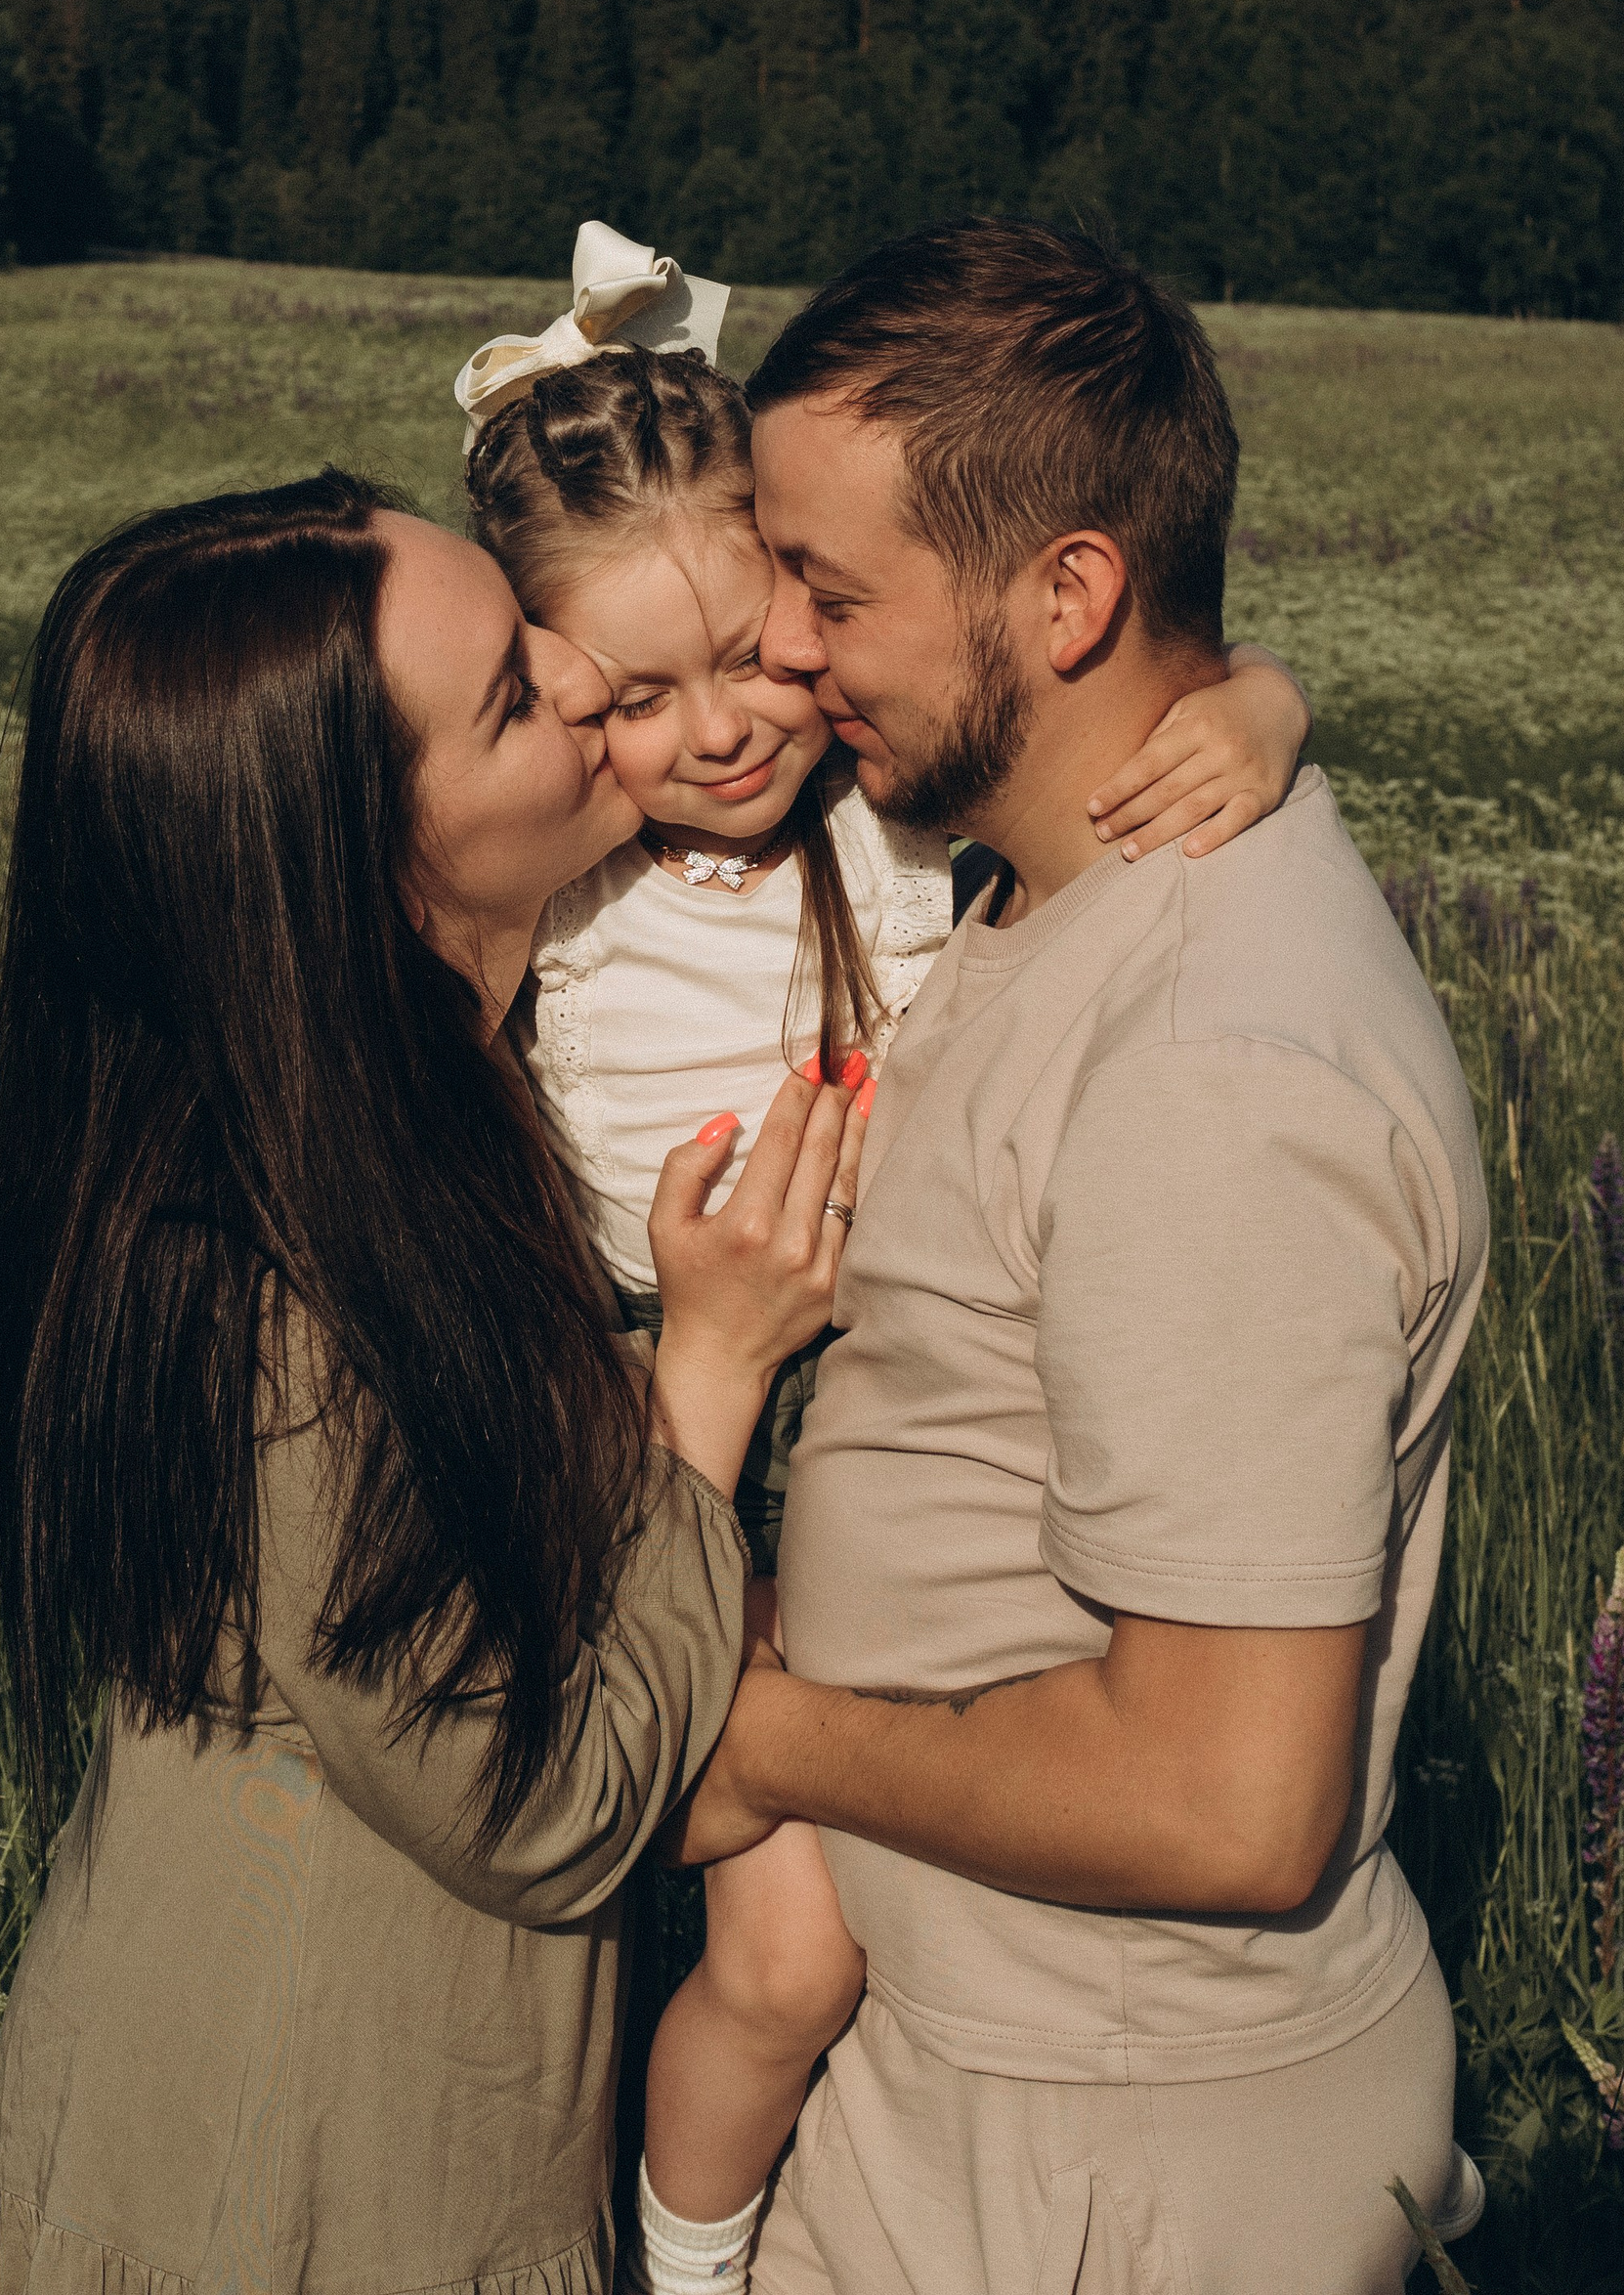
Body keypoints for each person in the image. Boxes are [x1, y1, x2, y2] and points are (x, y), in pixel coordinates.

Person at [456, 278, 1314, 2295]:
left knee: (909, 1925)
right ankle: (685, 2266)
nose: (716, 731)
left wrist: (1262, 706)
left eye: (749, 656)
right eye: (631, 695)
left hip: (907, 1440)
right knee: (773, 1958)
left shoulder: (894, 828)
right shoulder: (563, 878)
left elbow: (1146, 693)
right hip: (643, 1437)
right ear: (551, 688)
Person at [0, 470, 867, 2295]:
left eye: (527, 628)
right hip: (297, 2194)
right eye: (519, 695)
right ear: (363, 861)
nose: (585, 673)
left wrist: (1249, 713)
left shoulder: (401, 1097)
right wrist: (708, 1375)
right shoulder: (262, 1286)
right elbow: (560, 1797)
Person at [678, 217, 1489, 2295]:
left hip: (1111, 2162)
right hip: (981, 2083)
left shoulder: (1214, 1066)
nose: (776, 647)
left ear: (1065, 595)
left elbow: (1227, 1803)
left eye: (828, 589)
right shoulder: (1044, 888)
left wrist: (742, 1725)